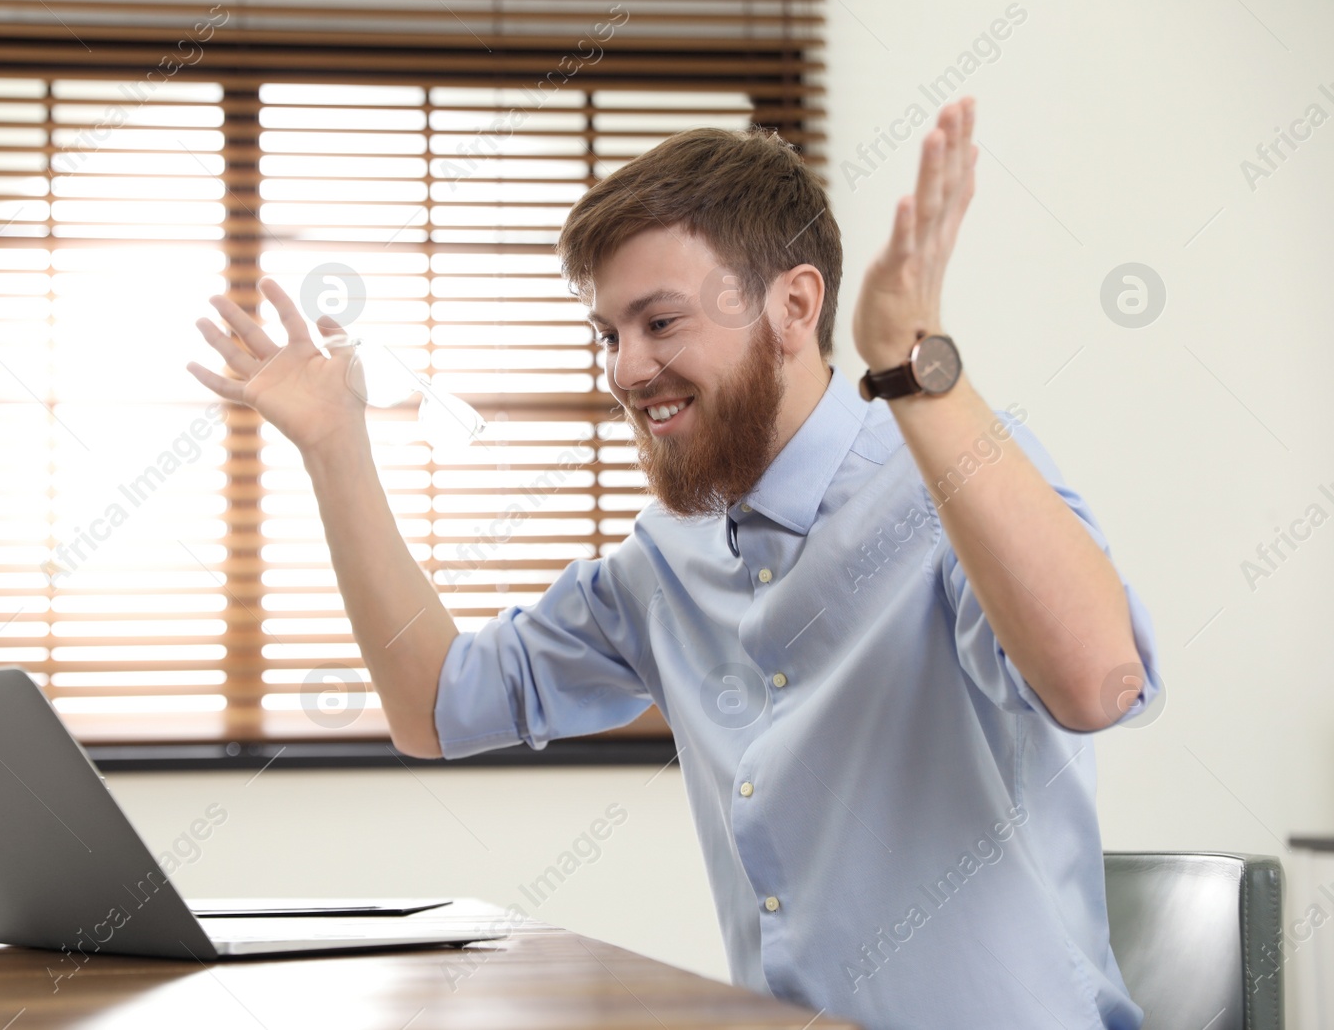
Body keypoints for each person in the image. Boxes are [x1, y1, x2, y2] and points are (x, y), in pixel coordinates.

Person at [187, 96, 1161, 1030]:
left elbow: (1095, 681)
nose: (622, 368)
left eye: (659, 323)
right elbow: (435, 706)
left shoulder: (950, 476)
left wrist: (915, 364)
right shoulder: (666, 560)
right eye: (607, 334)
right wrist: (333, 447)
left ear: (793, 305)